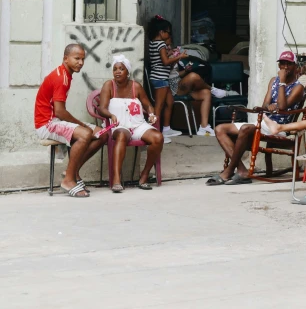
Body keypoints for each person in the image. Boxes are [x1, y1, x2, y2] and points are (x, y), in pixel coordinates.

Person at [207, 50, 305, 185]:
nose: (285, 67)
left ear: (295, 66)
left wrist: (282, 83)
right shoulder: (273, 81)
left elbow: (282, 107)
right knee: (220, 129)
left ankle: (229, 171)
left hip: (279, 128)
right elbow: (265, 104)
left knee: (246, 129)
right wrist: (269, 105)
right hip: (264, 122)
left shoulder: (298, 87)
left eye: (289, 64)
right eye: (282, 63)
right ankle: (241, 170)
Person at [34, 43, 109, 198]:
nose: (80, 62)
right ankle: (68, 180)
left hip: (55, 120)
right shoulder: (61, 77)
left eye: (83, 59)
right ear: (65, 58)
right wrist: (81, 125)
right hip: (47, 124)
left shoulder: (66, 75)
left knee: (102, 134)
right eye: (77, 58)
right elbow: (60, 112)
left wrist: (80, 126)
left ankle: (71, 172)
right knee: (85, 134)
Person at [97, 55, 164, 192]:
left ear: (128, 71)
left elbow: (148, 105)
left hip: (138, 125)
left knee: (158, 138)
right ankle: (116, 179)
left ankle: (144, 175)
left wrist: (151, 115)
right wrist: (110, 115)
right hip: (119, 125)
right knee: (122, 135)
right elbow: (102, 108)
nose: (118, 72)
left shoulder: (136, 87)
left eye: (121, 69)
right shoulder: (109, 86)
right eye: (115, 69)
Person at [147, 16, 190, 142]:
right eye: (168, 32)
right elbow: (165, 62)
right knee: (159, 106)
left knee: (169, 102)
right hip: (160, 78)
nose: (169, 34)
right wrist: (179, 56)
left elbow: (161, 59)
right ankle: (155, 133)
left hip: (161, 77)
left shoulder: (153, 43)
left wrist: (171, 54)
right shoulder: (160, 44)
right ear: (161, 32)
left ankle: (166, 129)